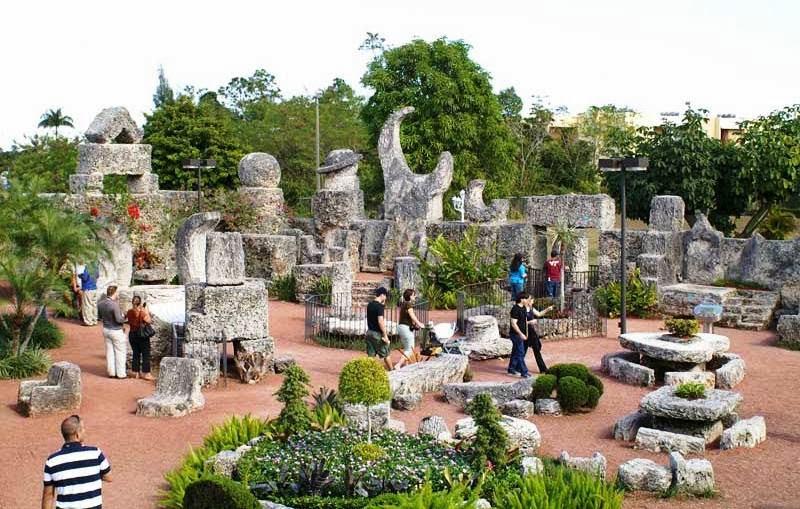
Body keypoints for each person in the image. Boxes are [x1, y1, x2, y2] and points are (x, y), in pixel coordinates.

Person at [42, 415, 112, 509]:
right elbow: (109, 477)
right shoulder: (95, 453)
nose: (85, 431)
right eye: (82, 429)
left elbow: (48, 495)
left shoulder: (52, 461)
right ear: (77, 434)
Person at [97, 285, 127, 379]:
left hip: (106, 329)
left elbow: (99, 317)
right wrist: (125, 317)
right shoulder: (114, 305)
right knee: (120, 352)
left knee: (109, 352)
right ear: (114, 293)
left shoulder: (100, 303)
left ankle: (111, 373)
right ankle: (121, 374)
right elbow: (119, 320)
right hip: (116, 330)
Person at [395, 289, 425, 369]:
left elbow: (408, 318)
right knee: (410, 349)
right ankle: (398, 365)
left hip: (401, 327)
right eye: (413, 295)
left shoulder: (403, 304)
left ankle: (407, 366)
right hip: (405, 328)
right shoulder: (408, 304)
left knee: (406, 348)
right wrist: (420, 324)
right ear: (410, 296)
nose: (415, 296)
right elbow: (412, 316)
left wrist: (414, 325)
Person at [126, 295, 154, 380]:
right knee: (146, 354)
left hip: (132, 334)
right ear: (140, 303)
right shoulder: (142, 313)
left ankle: (136, 372)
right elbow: (149, 320)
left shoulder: (129, 312)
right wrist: (146, 310)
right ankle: (146, 373)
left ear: (132, 302)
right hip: (142, 335)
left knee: (136, 353)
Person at [366, 287, 393, 370]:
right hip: (377, 334)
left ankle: (369, 371)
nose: (386, 298)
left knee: (371, 355)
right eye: (385, 296)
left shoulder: (370, 304)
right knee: (386, 353)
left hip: (369, 332)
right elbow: (380, 321)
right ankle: (392, 371)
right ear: (382, 295)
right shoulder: (379, 306)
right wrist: (385, 335)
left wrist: (383, 303)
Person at [524, 300, 554, 373]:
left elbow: (539, 314)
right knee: (523, 351)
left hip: (532, 332)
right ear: (527, 301)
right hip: (525, 332)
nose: (533, 302)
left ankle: (543, 368)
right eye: (531, 300)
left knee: (537, 349)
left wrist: (548, 309)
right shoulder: (522, 310)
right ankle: (515, 366)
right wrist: (530, 322)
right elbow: (520, 322)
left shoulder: (531, 308)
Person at [508, 292, 532, 378]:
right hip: (515, 334)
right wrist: (521, 334)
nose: (527, 300)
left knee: (515, 352)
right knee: (520, 352)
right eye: (526, 299)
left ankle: (511, 369)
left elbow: (524, 321)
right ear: (521, 299)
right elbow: (513, 323)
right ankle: (524, 371)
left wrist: (526, 333)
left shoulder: (524, 308)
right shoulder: (515, 309)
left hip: (522, 334)